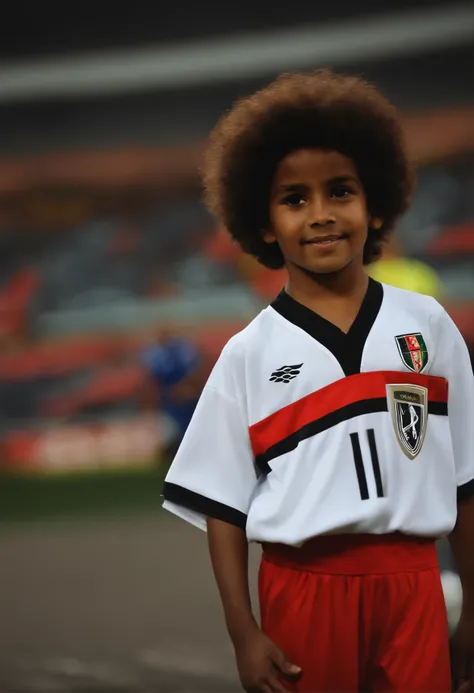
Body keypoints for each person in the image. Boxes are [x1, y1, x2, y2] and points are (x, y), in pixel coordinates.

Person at [161, 70, 474, 693]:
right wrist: (243, 633)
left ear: (375, 203)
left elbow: (466, 481)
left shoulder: (429, 326)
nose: (322, 214)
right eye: (294, 199)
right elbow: (223, 509)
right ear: (264, 222)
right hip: (302, 590)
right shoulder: (248, 353)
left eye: (341, 191)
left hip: (415, 587)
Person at [141, 329, 207, 459]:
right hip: (170, 403)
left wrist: (187, 389)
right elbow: (152, 382)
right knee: (174, 432)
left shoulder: (185, 352)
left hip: (188, 401)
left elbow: (197, 373)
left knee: (191, 431)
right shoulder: (156, 356)